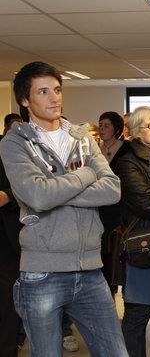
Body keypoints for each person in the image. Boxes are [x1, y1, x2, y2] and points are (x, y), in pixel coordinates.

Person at [0, 61, 127, 357]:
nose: (54, 98)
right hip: (42, 273)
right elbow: (37, 196)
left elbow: (112, 189)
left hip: (91, 270)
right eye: (43, 92)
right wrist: (84, 176)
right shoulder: (14, 143)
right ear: (24, 100)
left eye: (56, 90)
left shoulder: (81, 137)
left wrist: (53, 188)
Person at [115, 107, 150, 357]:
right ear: (136, 132)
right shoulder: (128, 162)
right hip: (144, 246)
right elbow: (147, 205)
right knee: (138, 313)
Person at [98, 111, 130, 295]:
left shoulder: (126, 149)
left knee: (118, 254)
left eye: (106, 126)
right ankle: (106, 295)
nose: (102, 129)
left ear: (116, 128)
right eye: (100, 125)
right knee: (103, 255)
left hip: (121, 209)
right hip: (100, 209)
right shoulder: (94, 151)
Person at [0, 114, 23, 357]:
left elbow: (28, 185)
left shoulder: (7, 149)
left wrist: (7, 196)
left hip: (7, 242)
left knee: (7, 305)